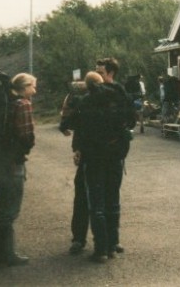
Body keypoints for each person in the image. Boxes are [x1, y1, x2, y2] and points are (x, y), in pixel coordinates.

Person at [78, 58, 135, 263]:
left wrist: (80, 149)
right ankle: (112, 245)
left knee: (98, 203)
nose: (98, 76)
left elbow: (79, 128)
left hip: (95, 156)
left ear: (110, 73)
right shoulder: (120, 94)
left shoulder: (87, 99)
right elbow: (131, 120)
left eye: (100, 72)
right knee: (112, 200)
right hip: (115, 154)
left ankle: (102, 249)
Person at [0, 72, 36, 267]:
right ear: (24, 87)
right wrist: (25, 149)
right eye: (33, 86)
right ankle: (6, 256)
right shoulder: (23, 104)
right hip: (12, 164)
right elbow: (26, 136)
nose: (35, 90)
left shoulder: (6, 103)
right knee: (9, 210)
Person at [58, 80, 90, 255]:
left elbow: (68, 123)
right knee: (102, 198)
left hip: (86, 155)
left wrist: (76, 149)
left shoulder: (77, 100)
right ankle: (110, 240)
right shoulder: (103, 97)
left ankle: (78, 239)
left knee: (81, 198)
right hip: (99, 156)